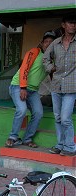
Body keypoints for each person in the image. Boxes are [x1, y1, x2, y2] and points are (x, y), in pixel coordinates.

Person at [5, 31, 57, 148]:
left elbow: (53, 76)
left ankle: (27, 139)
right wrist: (23, 87)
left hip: (33, 91)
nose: (48, 44)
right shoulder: (35, 52)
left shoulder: (51, 61)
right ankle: (12, 137)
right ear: (42, 43)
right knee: (22, 110)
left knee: (38, 113)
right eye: (46, 41)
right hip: (18, 86)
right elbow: (24, 68)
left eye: (51, 42)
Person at [43, 14, 76, 157]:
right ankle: (60, 144)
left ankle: (70, 146)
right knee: (57, 117)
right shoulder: (56, 43)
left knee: (65, 117)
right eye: (70, 23)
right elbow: (45, 58)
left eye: (75, 23)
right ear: (63, 25)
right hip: (56, 85)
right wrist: (51, 68)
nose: (73, 25)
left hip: (71, 86)